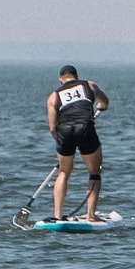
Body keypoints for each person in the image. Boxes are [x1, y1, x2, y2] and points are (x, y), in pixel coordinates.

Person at [46, 66, 113, 223]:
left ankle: (57, 215)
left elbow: (52, 128)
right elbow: (105, 101)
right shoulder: (89, 85)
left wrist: (62, 145)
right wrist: (101, 106)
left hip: (64, 131)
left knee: (64, 172)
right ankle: (91, 215)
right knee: (94, 172)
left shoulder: (53, 96)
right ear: (76, 76)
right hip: (85, 127)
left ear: (61, 80)